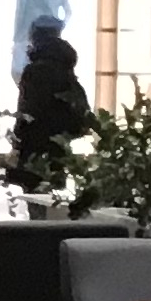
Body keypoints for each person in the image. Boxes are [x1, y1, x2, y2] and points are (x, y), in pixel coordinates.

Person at [12, 16, 96, 195]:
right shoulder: (65, 66)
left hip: (34, 145)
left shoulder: (34, 71)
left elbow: (27, 110)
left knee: (34, 196)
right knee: (53, 196)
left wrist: (17, 138)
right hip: (59, 144)